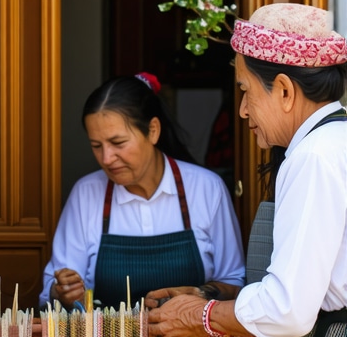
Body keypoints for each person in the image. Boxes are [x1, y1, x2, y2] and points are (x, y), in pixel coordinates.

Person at [147, 3, 347, 337]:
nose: (241, 110)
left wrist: (202, 318)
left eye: (244, 91)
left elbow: (288, 308)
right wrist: (214, 294)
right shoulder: (331, 143)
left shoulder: (315, 158)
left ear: (284, 90)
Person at [39, 72, 245, 310]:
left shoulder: (206, 188)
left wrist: (200, 293)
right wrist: (62, 290)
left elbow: (235, 283)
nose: (106, 158)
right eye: (96, 146)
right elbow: (51, 291)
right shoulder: (86, 194)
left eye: (118, 143)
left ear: (153, 131)